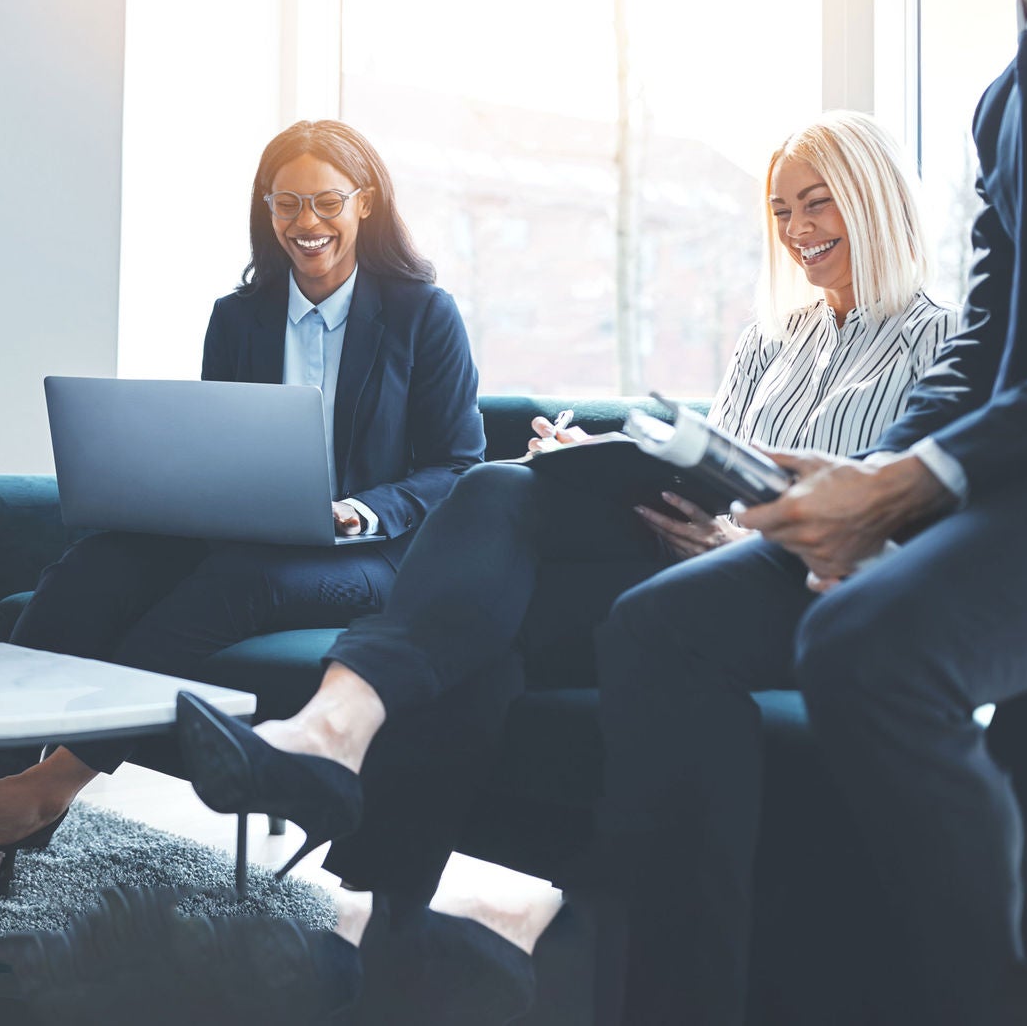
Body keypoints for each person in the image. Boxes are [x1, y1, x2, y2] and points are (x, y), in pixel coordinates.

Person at [173, 111, 953, 1014]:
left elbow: (892, 535)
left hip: (774, 595)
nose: (799, 231)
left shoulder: (938, 346)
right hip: (678, 559)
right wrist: (599, 457)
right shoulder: (768, 342)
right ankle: (390, 914)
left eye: (819, 205)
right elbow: (718, 468)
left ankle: (344, 777)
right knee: (508, 499)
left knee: (489, 595)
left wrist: (738, 542)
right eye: (782, 211)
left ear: (877, 202)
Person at [590, 0, 1027, 1021]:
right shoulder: (1004, 100)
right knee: (652, 631)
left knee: (865, 647)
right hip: (1001, 491)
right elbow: (984, 358)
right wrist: (860, 477)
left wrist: (915, 488)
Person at [0, 120, 486, 868]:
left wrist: (362, 509)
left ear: (365, 203)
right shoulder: (239, 317)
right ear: (266, 209)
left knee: (239, 581)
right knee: (95, 567)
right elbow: (218, 444)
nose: (307, 223)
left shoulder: (425, 315)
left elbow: (457, 465)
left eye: (326, 202)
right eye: (287, 203)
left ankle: (47, 789)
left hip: (374, 554)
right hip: (248, 533)